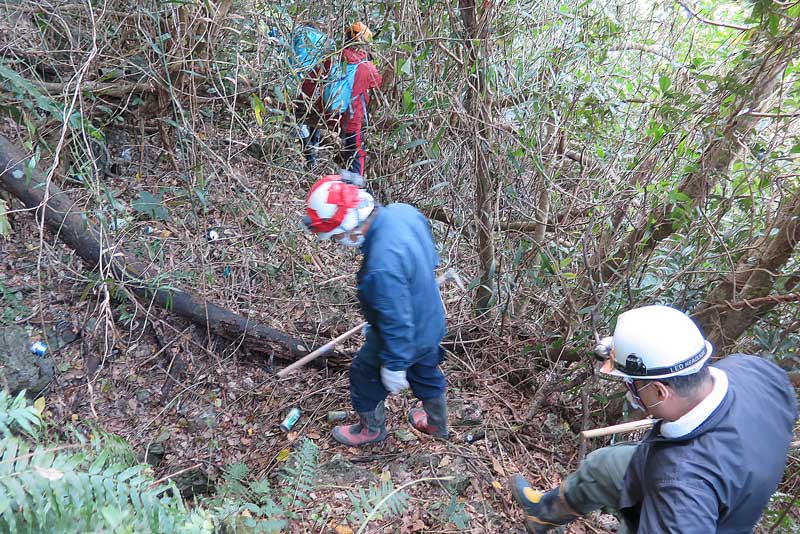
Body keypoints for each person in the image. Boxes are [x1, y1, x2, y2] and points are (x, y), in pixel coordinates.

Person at [510, 305, 797, 533]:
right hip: (699, 475)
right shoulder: (755, 371)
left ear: (660, 391)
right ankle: (542, 514)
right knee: (602, 467)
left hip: (696, 511)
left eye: (632, 383)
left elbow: (682, 492)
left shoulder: (680, 491)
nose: (629, 390)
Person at [303, 173, 448, 446]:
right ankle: (437, 425)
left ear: (351, 228)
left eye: (337, 238)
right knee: (426, 372)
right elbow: (430, 256)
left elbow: (397, 321)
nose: (338, 243)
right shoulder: (403, 212)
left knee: (364, 375)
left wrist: (394, 365)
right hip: (431, 318)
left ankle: (371, 430)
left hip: (403, 335)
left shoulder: (381, 265)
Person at [298, 22, 382, 176]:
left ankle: (310, 160)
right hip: (350, 119)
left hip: (327, 112)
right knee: (355, 152)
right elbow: (377, 82)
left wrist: (302, 100)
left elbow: (312, 80)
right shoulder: (366, 67)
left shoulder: (333, 58)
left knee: (308, 126)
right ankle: (355, 187)